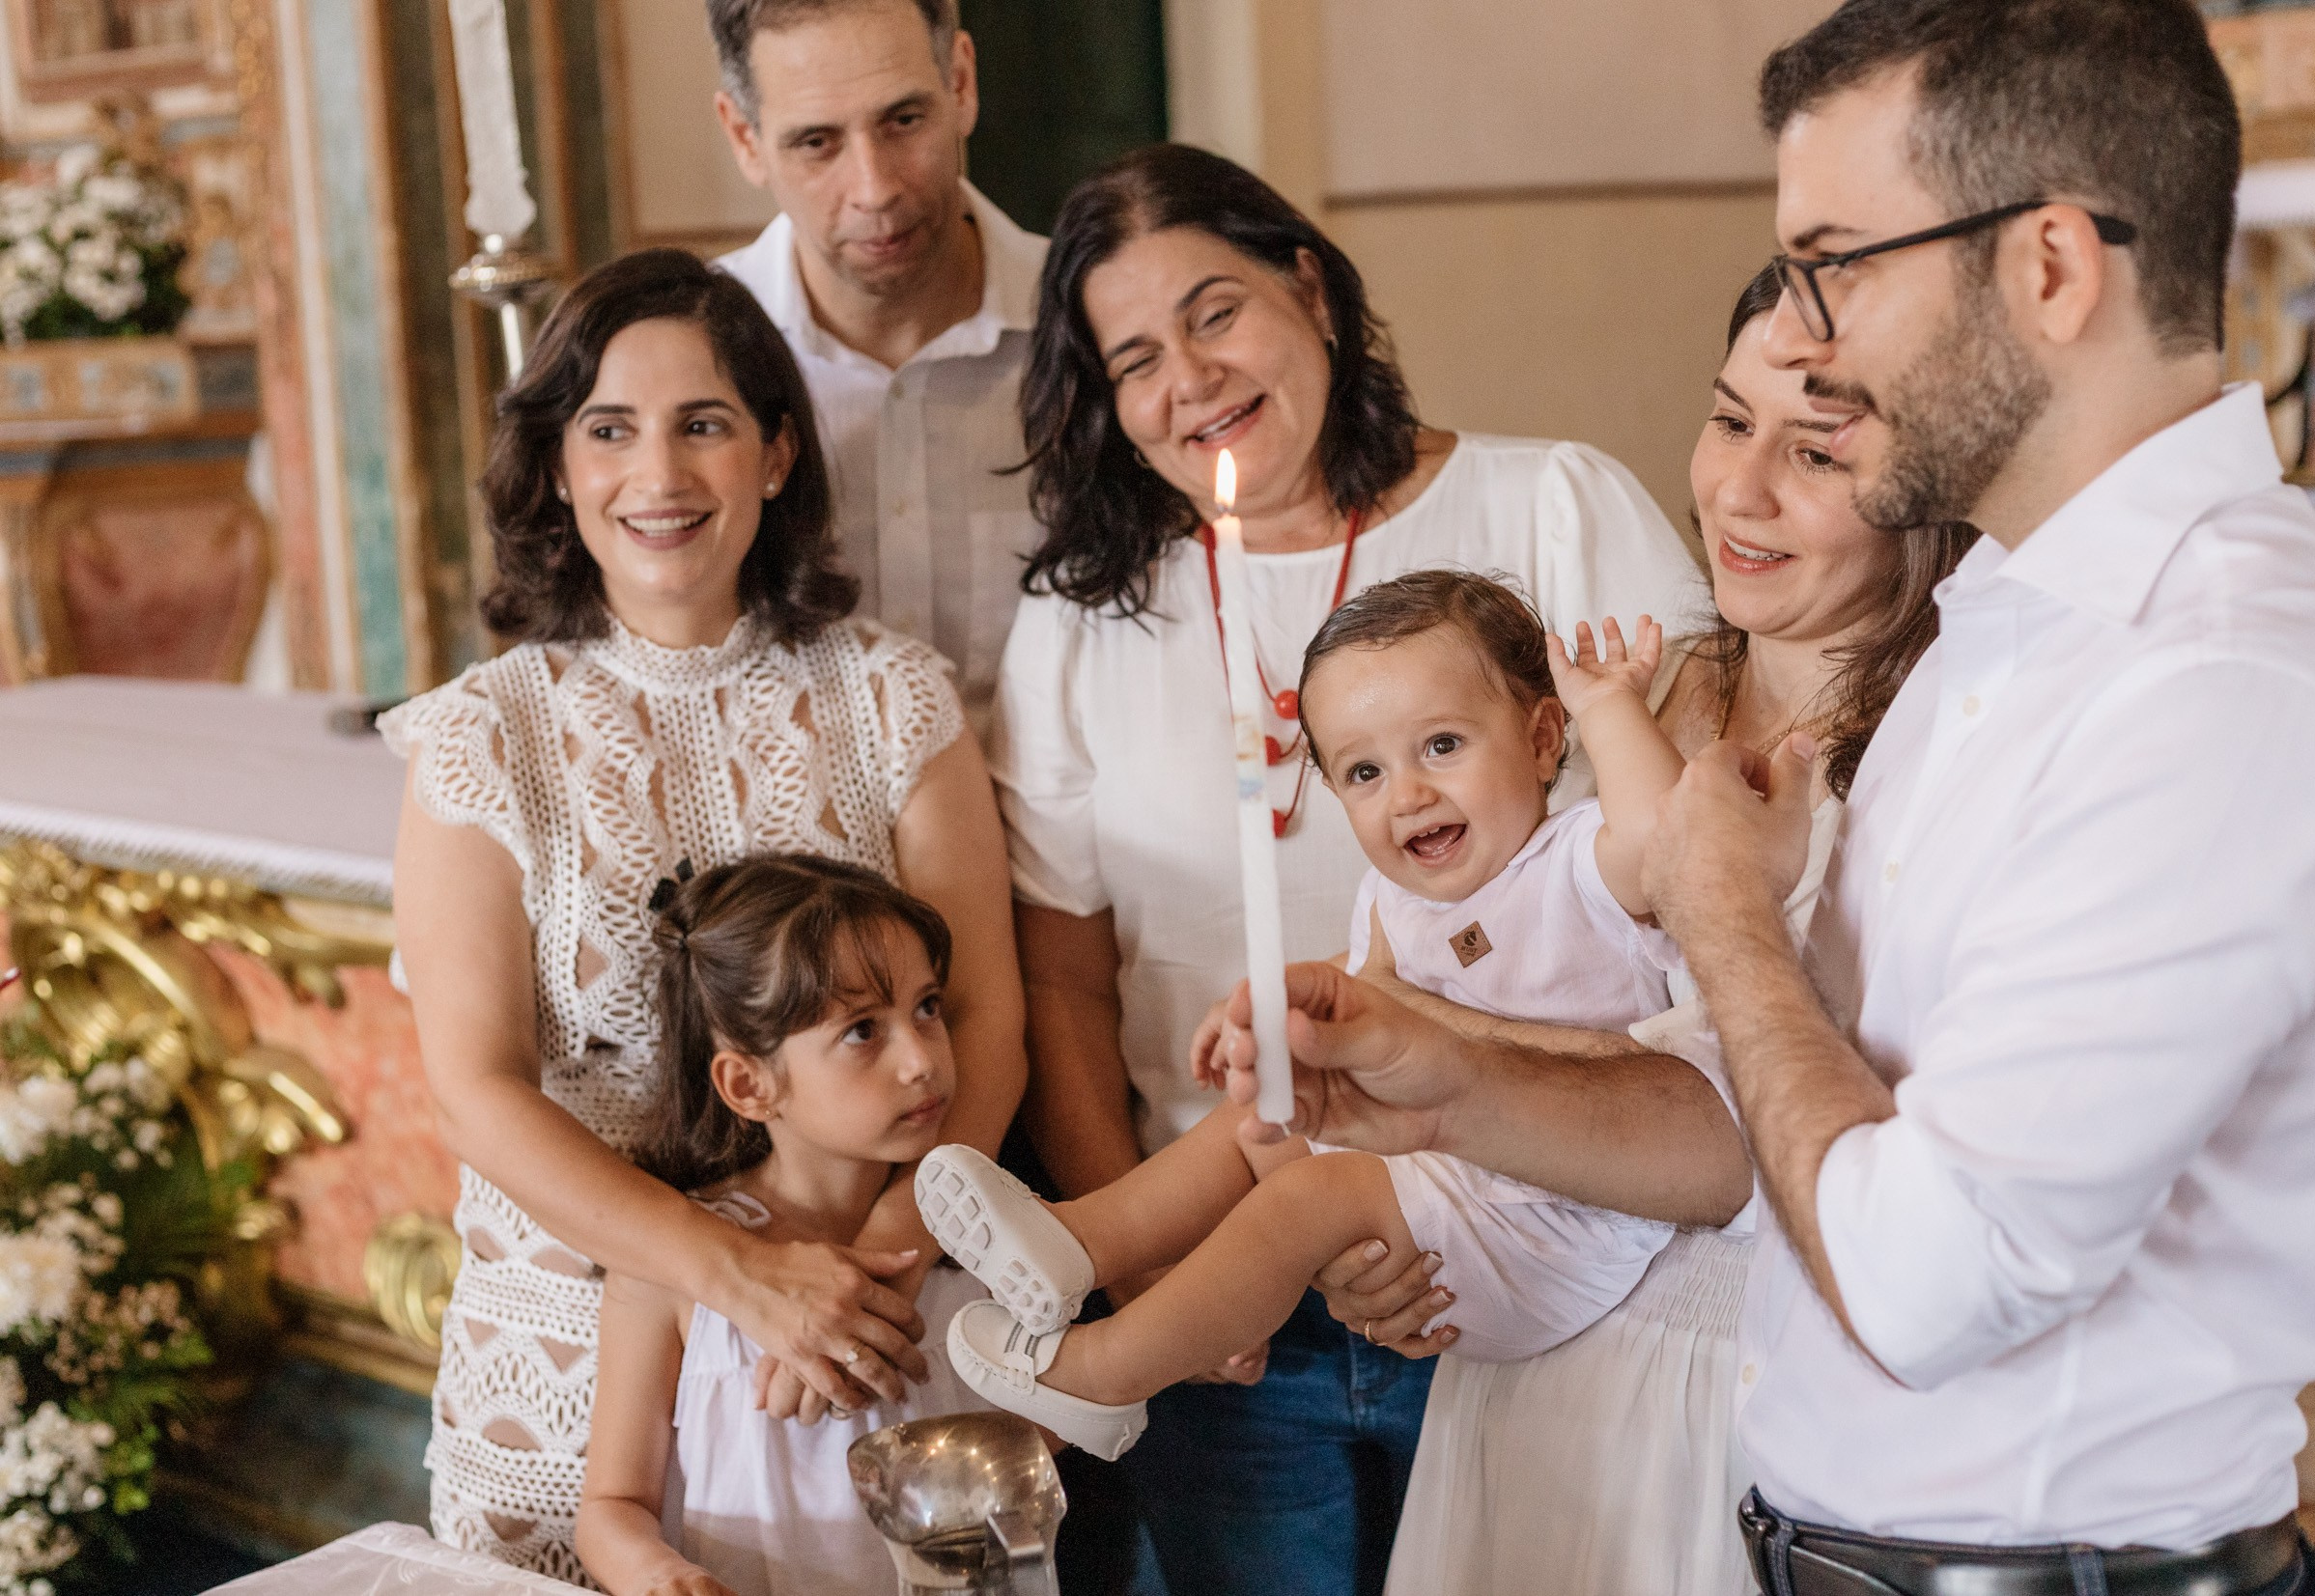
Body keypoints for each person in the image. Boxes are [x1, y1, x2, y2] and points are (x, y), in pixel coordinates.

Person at [1220, 4, 2315, 1593]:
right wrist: (1438, 1083)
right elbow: (1758, 1108)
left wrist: (1716, 909)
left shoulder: (2214, 679)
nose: (1811, 335)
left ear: (2047, 268)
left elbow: (1928, 1276)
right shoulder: (2016, 619)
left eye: (1841, 261)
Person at [992, 141, 1715, 1596]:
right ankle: (1078, 1266)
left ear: (1310, 288)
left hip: (1543, 1247)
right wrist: (1163, 1276)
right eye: (1134, 358)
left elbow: (1701, 887)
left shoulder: (1551, 505)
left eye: (1215, 313)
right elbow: (1064, 984)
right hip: (1231, 1297)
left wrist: (1419, 1195)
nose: (1188, 381)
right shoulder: (1082, 626)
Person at [385, 248, 1025, 1581]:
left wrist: (874, 1278)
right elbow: (476, 1093)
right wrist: (732, 1280)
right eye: (609, 429)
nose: (659, 475)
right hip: (566, 1376)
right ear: (558, 467)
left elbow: (983, 1027)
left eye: (706, 425)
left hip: (856, 1366)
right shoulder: (482, 737)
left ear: (778, 453)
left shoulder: (893, 700)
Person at [1372, 268, 1972, 1596]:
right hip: (1532, 1367)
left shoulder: (1940, 760)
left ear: (1931, 482)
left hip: (1739, 1404)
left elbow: (1754, 1136)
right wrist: (1404, 1228)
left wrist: (1421, 1062)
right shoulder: (1638, 691)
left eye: (1813, 450)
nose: (1739, 491)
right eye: (1726, 420)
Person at [929, 573, 1692, 1457]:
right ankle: (1085, 1238)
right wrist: (1271, 1021)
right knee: (1268, 1114)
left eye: (1442, 744)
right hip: (1456, 1189)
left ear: (1541, 737)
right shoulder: (1393, 903)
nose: (1406, 794)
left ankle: (1105, 1374)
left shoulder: (1580, 865)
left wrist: (1608, 707)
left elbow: (1667, 840)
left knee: (1312, 1193)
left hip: (1568, 1217)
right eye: (1365, 771)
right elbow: (1358, 1012)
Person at [578, 855, 993, 1596]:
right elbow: (612, 1505)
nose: (921, 1059)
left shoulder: (977, 1232)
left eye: (927, 1007)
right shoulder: (665, 1273)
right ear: (750, 1083)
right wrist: (662, 1576)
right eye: (864, 1029)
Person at [710, 0, 1047, 728]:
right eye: (816, 142)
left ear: (960, 82)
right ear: (745, 136)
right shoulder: (690, 361)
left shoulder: (1092, 330)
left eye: (903, 120)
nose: (876, 188)